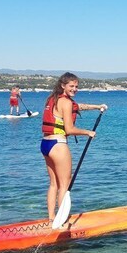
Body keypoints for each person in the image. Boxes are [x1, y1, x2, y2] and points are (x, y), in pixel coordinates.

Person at [40, 72, 107, 223]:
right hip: (58, 145)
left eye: (76, 86)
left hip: (45, 144)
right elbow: (69, 129)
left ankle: (51, 218)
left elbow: (78, 106)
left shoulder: (53, 99)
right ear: (63, 85)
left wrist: (97, 107)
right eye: (71, 86)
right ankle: (62, 221)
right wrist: (87, 132)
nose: (75, 89)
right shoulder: (67, 102)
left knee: (53, 184)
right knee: (65, 184)